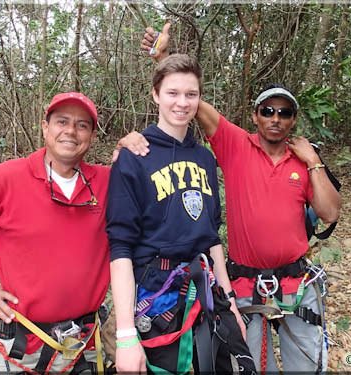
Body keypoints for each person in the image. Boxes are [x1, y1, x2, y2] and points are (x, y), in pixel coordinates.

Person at [141, 25, 342, 373]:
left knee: (306, 367)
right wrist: (164, 58)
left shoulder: (303, 160)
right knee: (247, 365)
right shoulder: (236, 145)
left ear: (293, 119)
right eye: (268, 111)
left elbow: (329, 212)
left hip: (297, 282)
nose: (275, 119)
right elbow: (193, 102)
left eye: (284, 113)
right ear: (255, 116)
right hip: (246, 284)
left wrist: (313, 161)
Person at [0, 92, 147, 373]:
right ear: (45, 127)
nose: (71, 131)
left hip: (83, 344)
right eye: (62, 121)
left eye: (82, 125)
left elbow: (153, 173)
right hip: (22, 345)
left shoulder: (108, 183)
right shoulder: (7, 178)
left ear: (92, 136)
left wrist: (131, 146)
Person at [106, 54, 256, 374]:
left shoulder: (204, 158)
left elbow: (212, 239)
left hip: (207, 294)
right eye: (173, 93)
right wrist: (125, 335)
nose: (182, 103)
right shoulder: (134, 156)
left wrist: (230, 305)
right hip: (158, 300)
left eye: (191, 94)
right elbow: (120, 247)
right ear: (155, 94)